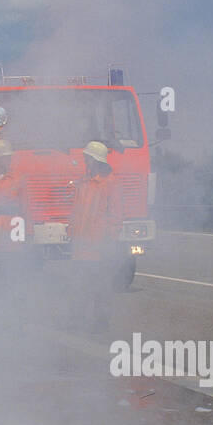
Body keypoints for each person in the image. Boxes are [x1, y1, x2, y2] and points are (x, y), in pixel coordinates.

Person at [69, 141, 124, 329]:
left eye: (87, 158)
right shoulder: (84, 181)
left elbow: (116, 216)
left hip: (99, 245)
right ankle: (77, 320)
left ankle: (101, 322)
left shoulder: (110, 183)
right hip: (81, 244)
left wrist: (110, 240)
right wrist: (72, 233)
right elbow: (76, 211)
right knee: (80, 284)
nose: (84, 161)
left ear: (95, 160)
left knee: (101, 286)